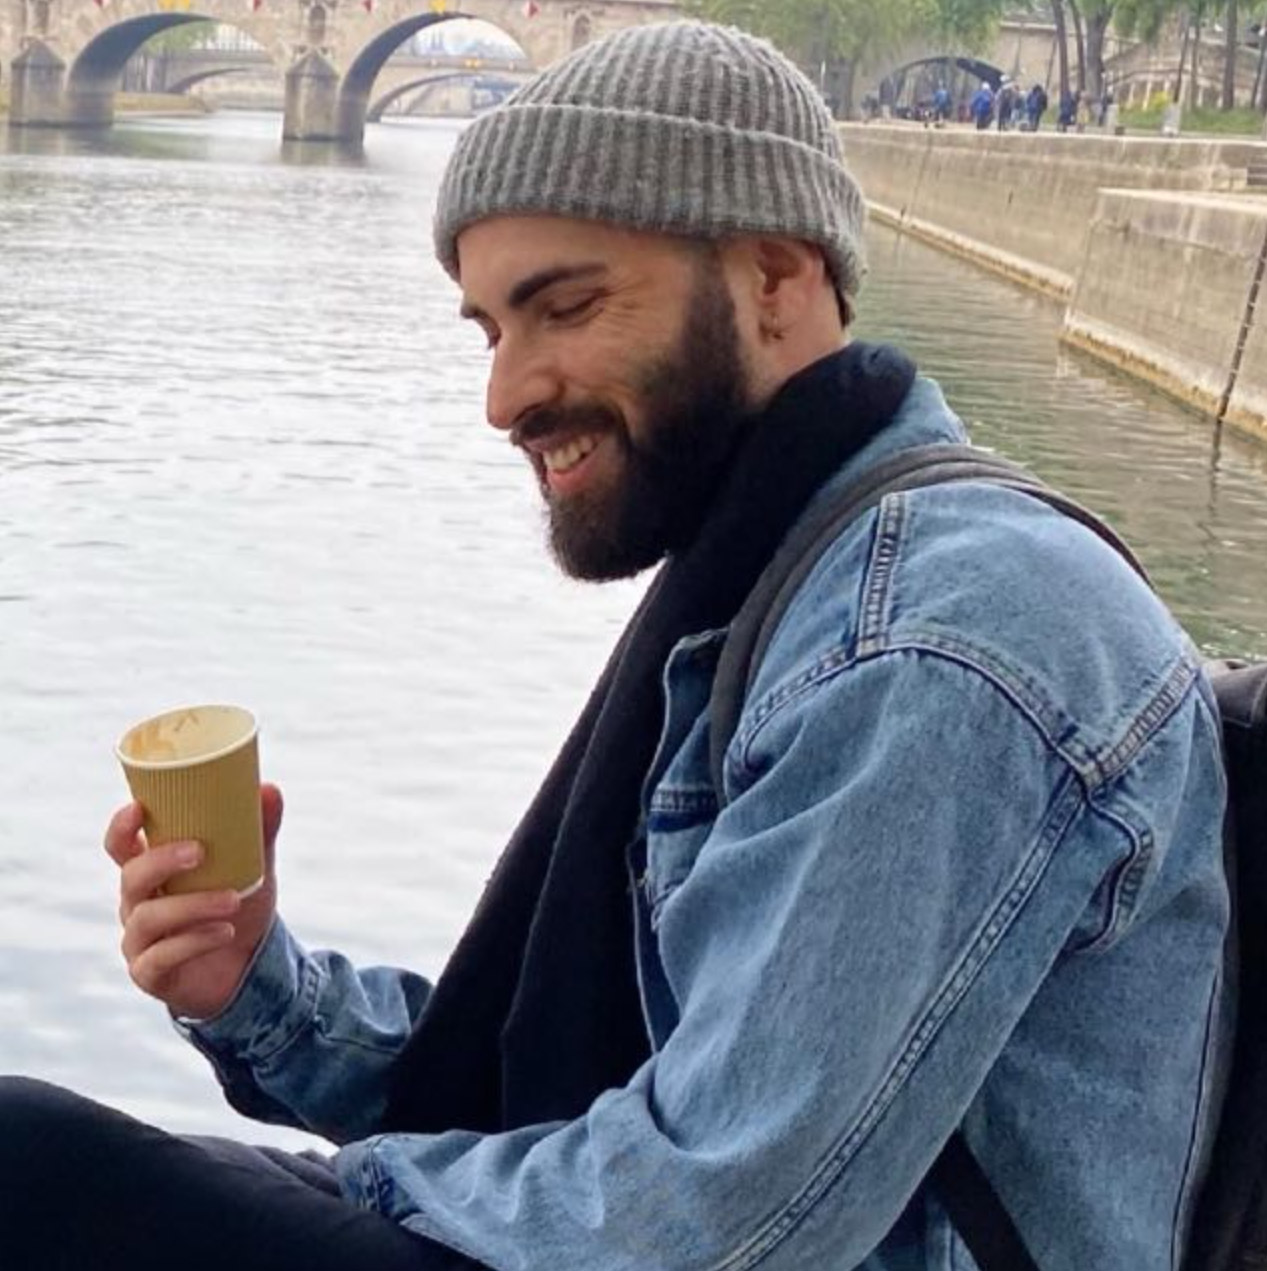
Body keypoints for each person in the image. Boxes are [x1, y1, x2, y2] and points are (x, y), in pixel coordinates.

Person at [1, 19, 1232, 1270]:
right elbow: (584, 1089)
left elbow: (715, 1210)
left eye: (567, 306)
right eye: (491, 331)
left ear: (775, 276)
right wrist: (254, 987)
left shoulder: (934, 640)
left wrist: (313, 1194)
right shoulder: (778, 578)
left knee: (32, 1170)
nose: (505, 396)